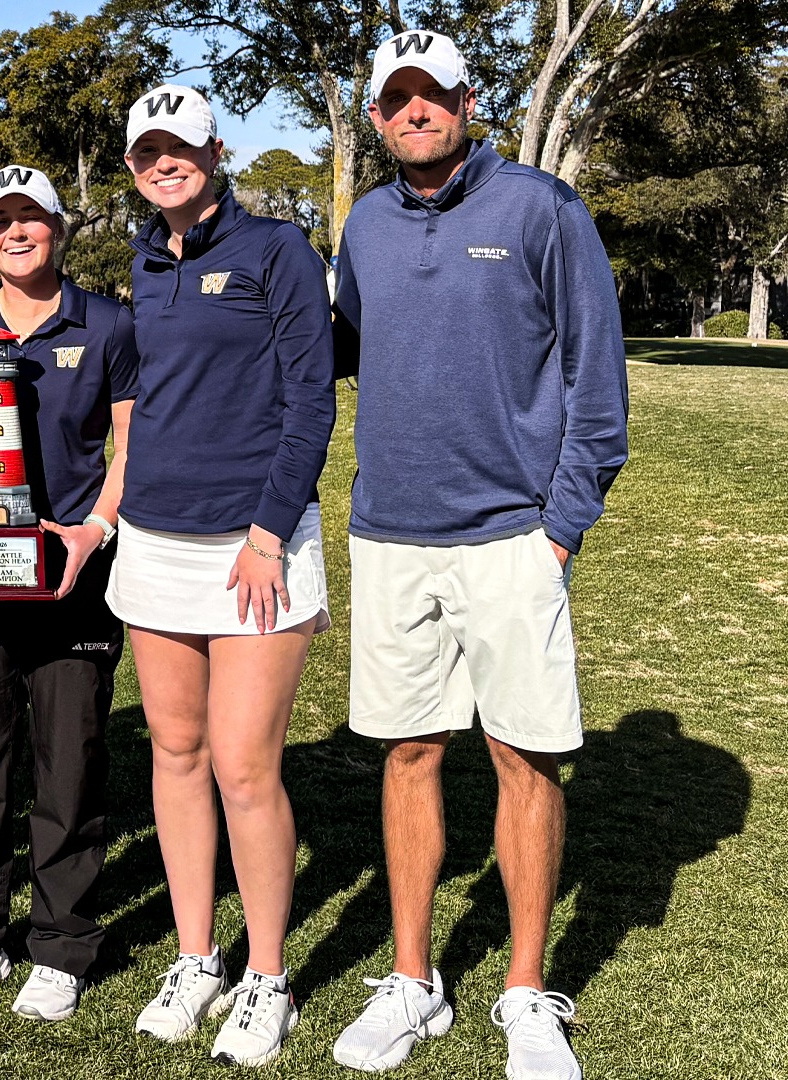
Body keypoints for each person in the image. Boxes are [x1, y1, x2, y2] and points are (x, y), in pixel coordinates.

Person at [329, 32, 627, 1080]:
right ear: (375, 118)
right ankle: (414, 983)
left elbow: (598, 385)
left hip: (512, 537)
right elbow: (351, 345)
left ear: (467, 99)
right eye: (397, 98)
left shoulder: (543, 210)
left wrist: (558, 531)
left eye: (433, 93)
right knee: (409, 755)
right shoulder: (361, 226)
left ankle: (525, 991)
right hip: (392, 536)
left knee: (522, 757)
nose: (417, 110)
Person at [105, 85, 336, 1067]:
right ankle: (198, 957)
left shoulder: (278, 249)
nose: (168, 161)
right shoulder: (145, 262)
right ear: (133, 166)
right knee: (177, 753)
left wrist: (268, 530)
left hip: (254, 544)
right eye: (150, 150)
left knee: (246, 766)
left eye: (183, 147)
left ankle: (267, 978)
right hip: (156, 542)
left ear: (217, 150)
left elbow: (310, 400)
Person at [0, 166, 139, 1021]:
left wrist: (93, 531)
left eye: (33, 219)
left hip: (71, 574)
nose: (18, 233)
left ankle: (61, 941)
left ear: (58, 227)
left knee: (70, 761)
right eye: (0, 221)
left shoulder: (110, 323)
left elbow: (129, 442)